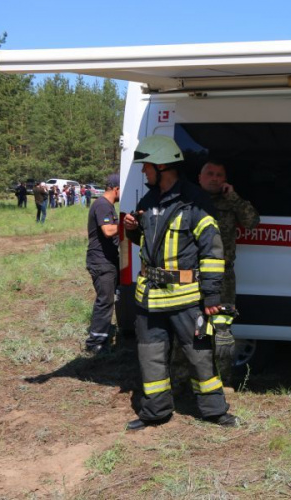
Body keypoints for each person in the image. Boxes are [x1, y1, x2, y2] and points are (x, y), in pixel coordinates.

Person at [123, 135, 237, 430]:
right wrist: (134, 231)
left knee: (200, 354)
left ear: (162, 166)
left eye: (147, 166)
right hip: (149, 299)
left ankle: (214, 411)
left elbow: (212, 252)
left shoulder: (195, 202)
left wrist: (211, 298)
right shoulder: (148, 201)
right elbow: (150, 245)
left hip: (187, 298)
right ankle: (155, 412)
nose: (143, 171)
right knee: (151, 357)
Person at [198, 160, 260, 380]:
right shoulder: (191, 200)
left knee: (222, 330)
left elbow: (252, 222)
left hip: (223, 277)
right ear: (200, 177)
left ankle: (222, 381)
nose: (215, 178)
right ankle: (190, 379)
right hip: (192, 276)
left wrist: (233, 197)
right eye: (210, 173)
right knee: (192, 328)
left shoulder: (230, 201)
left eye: (220, 174)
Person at [84, 174, 121, 354]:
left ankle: (102, 336)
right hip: (101, 261)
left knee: (110, 299)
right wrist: (128, 224)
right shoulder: (102, 205)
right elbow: (108, 230)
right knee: (105, 301)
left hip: (108, 260)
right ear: (116, 189)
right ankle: (95, 343)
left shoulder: (108, 206)